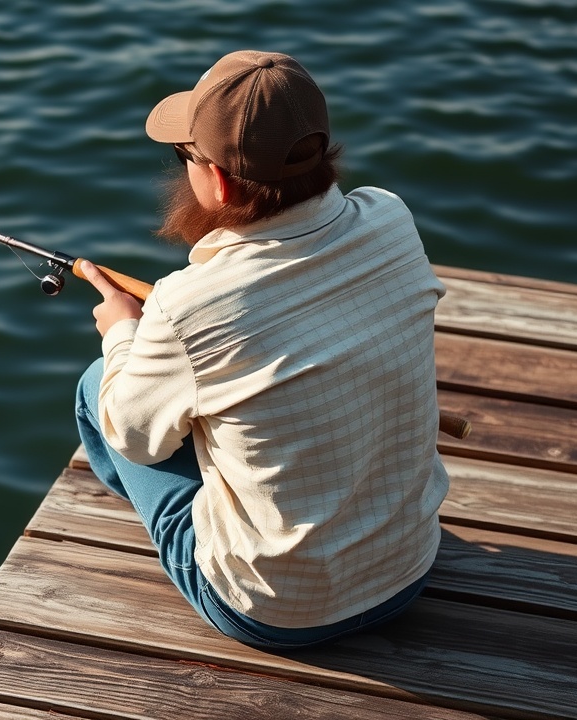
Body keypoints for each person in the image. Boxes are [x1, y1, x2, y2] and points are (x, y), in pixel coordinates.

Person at [75, 50, 450, 650]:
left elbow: (134, 439)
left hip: (274, 614)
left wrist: (123, 331)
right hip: (408, 575)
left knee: (100, 387)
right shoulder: (391, 219)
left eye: (185, 157)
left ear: (217, 179)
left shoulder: (185, 305)